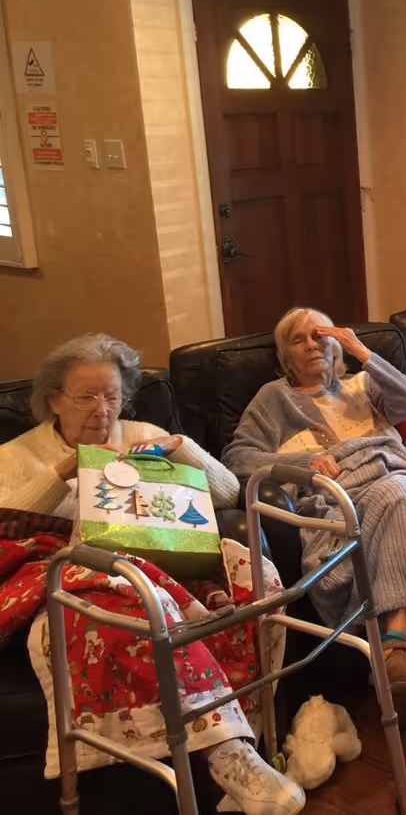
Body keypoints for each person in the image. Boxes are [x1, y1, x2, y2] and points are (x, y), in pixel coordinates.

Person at [0, 333, 305, 815]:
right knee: (136, 600)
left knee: (255, 575)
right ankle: (227, 756)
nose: (102, 409)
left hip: (167, 560)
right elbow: (8, 522)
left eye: (113, 395)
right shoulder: (17, 454)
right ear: (54, 399)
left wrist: (179, 446)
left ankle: (248, 746)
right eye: (86, 396)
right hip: (68, 571)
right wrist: (68, 469)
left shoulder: (139, 434)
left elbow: (227, 492)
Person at [223, 307, 406, 753]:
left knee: (403, 496)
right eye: (299, 339)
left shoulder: (363, 385)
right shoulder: (272, 399)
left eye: (322, 335)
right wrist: (301, 464)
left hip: (393, 484)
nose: (313, 344)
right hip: (340, 505)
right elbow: (237, 460)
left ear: (339, 344)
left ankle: (399, 648)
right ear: (285, 355)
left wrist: (363, 352)